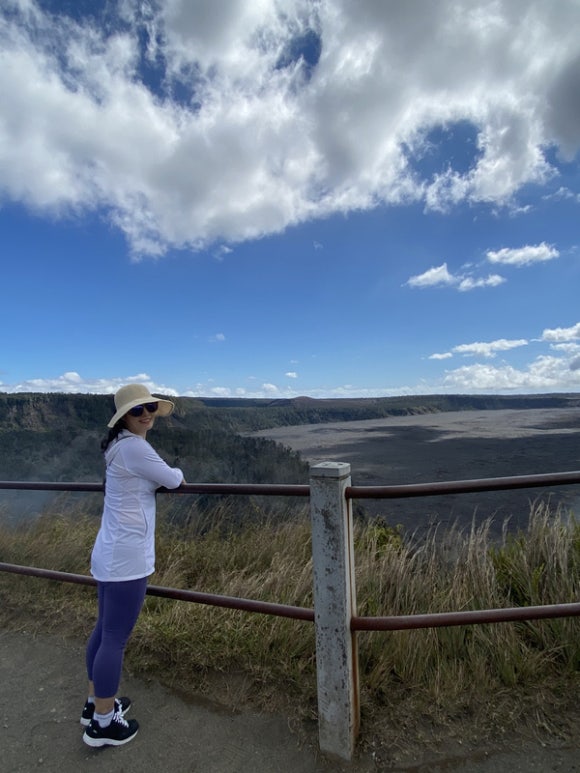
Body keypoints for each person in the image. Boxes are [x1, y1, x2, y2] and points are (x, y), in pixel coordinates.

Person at [81, 384, 184, 748]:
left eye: (150, 407)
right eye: (138, 410)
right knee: (114, 639)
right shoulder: (135, 447)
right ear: (124, 416)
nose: (146, 414)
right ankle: (104, 725)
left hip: (109, 553)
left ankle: (96, 704)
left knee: (103, 630)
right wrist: (177, 472)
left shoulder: (116, 448)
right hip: (127, 558)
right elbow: (172, 479)